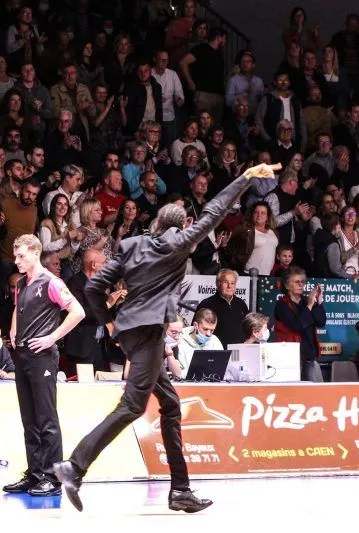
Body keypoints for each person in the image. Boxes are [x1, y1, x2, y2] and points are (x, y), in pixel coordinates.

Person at [53, 162, 281, 513]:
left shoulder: (131, 245)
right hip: (148, 335)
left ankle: (180, 490)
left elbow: (96, 285)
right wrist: (246, 178)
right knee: (131, 406)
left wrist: (111, 323)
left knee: (171, 405)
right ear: (184, 226)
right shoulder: (180, 243)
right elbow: (216, 210)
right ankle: (75, 466)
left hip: (131, 333)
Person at [3, 235, 85, 497]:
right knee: (29, 419)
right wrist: (14, 330)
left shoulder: (51, 281)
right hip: (23, 355)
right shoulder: (21, 285)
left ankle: (53, 477)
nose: (17, 261)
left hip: (42, 356)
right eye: (15, 256)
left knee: (46, 418)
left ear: (36, 253)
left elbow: (78, 312)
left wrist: (52, 337)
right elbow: (18, 309)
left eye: (22, 256)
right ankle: (35, 473)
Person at [274, 266, 326, 381]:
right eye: (297, 282)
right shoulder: (282, 304)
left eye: (302, 282)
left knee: (311, 393)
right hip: (291, 357)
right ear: (287, 285)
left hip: (308, 354)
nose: (301, 285)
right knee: (293, 392)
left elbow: (321, 322)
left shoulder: (307, 301)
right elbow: (296, 325)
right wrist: (310, 305)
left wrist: (319, 301)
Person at [193, 269, 249, 348]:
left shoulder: (241, 304)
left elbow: (249, 327)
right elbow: (196, 330)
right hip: (215, 351)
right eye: (226, 282)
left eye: (232, 283)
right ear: (218, 284)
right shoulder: (207, 304)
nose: (229, 286)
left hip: (240, 351)